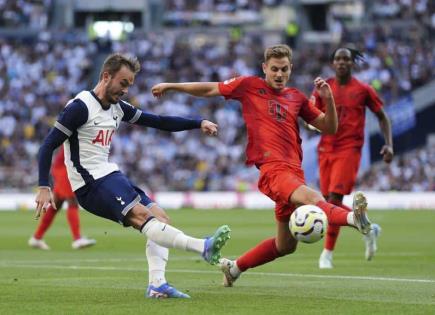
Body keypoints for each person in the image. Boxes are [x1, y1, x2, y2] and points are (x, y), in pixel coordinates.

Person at [151, 44, 377, 287]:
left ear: (290, 69)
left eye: (284, 69)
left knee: (285, 246)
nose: (279, 74)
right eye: (274, 69)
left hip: (293, 173)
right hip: (273, 169)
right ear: (264, 68)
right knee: (313, 198)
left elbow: (330, 127)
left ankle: (234, 269)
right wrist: (172, 86)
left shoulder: (297, 98)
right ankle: (355, 219)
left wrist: (329, 99)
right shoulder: (249, 85)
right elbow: (210, 89)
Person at [35, 53, 231, 298]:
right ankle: (203, 247)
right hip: (89, 184)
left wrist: (198, 122)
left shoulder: (117, 108)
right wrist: (44, 185)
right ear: (106, 76)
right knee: (142, 217)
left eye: (129, 85)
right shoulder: (80, 107)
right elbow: (47, 145)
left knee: (161, 218)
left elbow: (158, 121)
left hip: (109, 174)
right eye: (123, 83)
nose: (126, 90)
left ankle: (157, 285)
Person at [311, 47, 393, 268]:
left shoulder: (363, 90)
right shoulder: (323, 88)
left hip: (349, 149)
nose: (342, 62)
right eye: (337, 58)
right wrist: (311, 118)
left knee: (335, 200)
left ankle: (327, 253)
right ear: (332, 63)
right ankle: (367, 227)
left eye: (346, 59)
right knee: (328, 203)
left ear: (352, 63)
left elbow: (383, 117)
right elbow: (311, 115)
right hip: (325, 148)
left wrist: (389, 145)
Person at [29, 147, 96, 250]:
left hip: (63, 166)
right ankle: (77, 239)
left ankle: (37, 238)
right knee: (72, 201)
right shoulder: (78, 132)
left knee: (56, 204)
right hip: (64, 168)